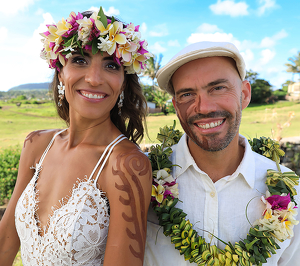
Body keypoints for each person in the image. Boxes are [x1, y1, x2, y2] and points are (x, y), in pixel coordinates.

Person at [0, 6, 152, 266]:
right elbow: (5, 240)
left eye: (111, 65)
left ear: (123, 83)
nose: (93, 79)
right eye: (79, 60)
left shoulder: (126, 165)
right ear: (61, 72)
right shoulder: (36, 145)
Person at [144, 41, 300, 265]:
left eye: (218, 88)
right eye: (187, 94)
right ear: (176, 107)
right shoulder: (143, 176)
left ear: (244, 95)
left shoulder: (292, 192)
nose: (204, 107)